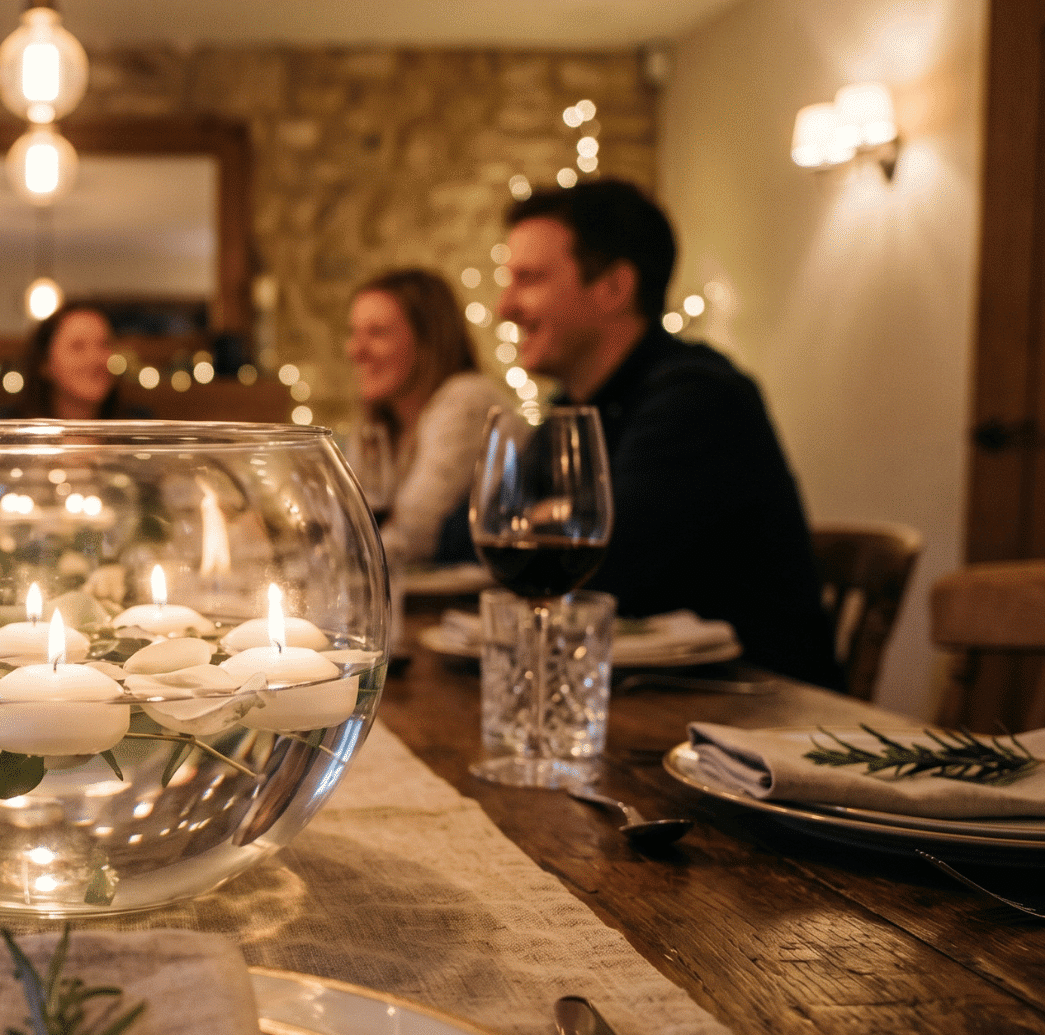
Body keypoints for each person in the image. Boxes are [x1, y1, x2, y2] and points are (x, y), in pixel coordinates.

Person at [495, 179, 843, 689]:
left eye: (529, 279)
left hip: (756, 718)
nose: (505, 306)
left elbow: (605, 570)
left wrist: (546, 517)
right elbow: (469, 537)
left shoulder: (699, 397)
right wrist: (556, 516)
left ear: (614, 288)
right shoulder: (569, 410)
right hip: (640, 701)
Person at [345, 269, 501, 567]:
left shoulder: (466, 399)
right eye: (354, 333)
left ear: (428, 339)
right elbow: (345, 522)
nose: (356, 350)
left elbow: (413, 535)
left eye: (377, 333)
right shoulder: (380, 421)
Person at [1, 303, 151, 419]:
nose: (96, 358)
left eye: (104, 344)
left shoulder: (140, 427)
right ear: (45, 363)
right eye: (78, 346)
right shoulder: (10, 429)